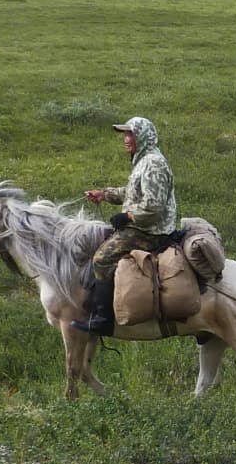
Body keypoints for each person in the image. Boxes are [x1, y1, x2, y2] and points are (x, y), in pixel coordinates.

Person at [74, 115, 180, 334]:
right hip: (144, 225)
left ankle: (103, 319)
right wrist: (105, 194)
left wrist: (128, 217)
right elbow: (132, 193)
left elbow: (154, 207)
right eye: (125, 134)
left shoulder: (153, 164)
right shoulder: (144, 160)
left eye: (130, 134)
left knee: (102, 259)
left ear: (142, 137)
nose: (125, 139)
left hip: (151, 231)